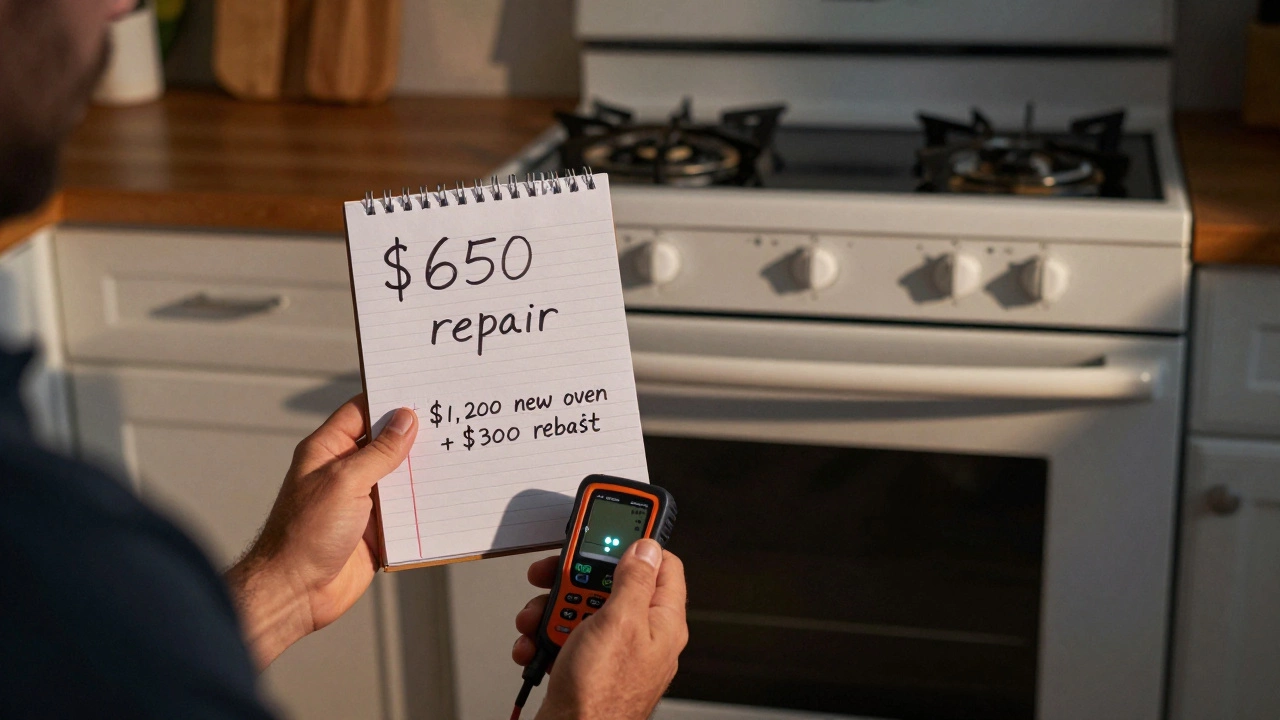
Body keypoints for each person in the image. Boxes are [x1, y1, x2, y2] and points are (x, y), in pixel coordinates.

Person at [0, 2, 688, 719]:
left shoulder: (64, 572)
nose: (122, 4)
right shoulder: (56, 563)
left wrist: (286, 584)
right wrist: (594, 712)